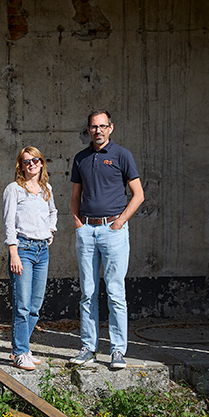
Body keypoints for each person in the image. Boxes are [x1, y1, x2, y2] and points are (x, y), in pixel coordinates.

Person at [68, 111, 144, 370]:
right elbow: (75, 196)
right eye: (93, 126)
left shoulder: (122, 155)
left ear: (111, 128)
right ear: (88, 130)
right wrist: (78, 222)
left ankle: (118, 350)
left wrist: (120, 222)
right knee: (87, 292)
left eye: (102, 126)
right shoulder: (81, 158)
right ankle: (88, 347)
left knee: (115, 293)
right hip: (87, 230)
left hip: (114, 230)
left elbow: (138, 195)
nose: (98, 130)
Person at [2, 146, 58, 371]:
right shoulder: (14, 189)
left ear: (42, 163)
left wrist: (51, 230)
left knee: (35, 305)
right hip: (22, 250)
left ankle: (23, 346)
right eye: (26, 161)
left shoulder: (46, 189)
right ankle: (19, 352)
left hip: (42, 251)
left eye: (35, 160)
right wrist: (13, 252)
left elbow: (53, 212)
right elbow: (8, 223)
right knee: (22, 305)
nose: (31, 164)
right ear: (21, 166)